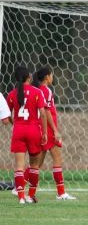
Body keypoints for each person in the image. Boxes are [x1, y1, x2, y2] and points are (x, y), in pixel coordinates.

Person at [32, 67, 76, 200]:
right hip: (49, 130)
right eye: (52, 75)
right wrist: (55, 131)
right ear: (46, 77)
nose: (53, 78)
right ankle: (61, 193)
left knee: (37, 164)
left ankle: (19, 186)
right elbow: (47, 112)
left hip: (39, 128)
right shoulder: (47, 91)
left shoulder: (36, 91)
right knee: (57, 159)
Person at [6, 65, 47, 204]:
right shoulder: (37, 92)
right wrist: (45, 133)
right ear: (29, 77)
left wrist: (15, 123)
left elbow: (6, 115)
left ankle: (21, 198)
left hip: (19, 130)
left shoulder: (12, 94)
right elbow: (42, 113)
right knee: (34, 165)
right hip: (33, 130)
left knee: (19, 166)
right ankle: (31, 195)